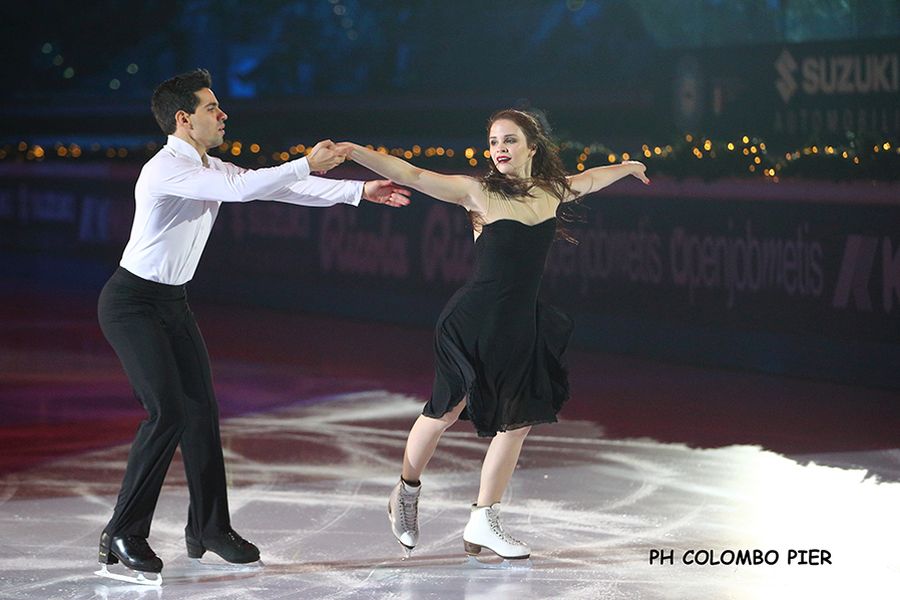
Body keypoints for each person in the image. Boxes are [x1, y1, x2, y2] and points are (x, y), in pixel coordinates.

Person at [95, 68, 409, 584]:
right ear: (184, 119)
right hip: (132, 304)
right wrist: (306, 160)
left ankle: (209, 529)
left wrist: (357, 191)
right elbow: (245, 188)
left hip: (172, 303)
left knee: (201, 412)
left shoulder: (208, 165)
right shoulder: (165, 169)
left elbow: (278, 188)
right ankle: (122, 534)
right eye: (212, 108)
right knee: (167, 412)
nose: (223, 115)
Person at [337, 109, 648, 561]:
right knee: (445, 411)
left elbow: (592, 179)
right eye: (494, 142)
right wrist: (353, 152)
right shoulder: (477, 192)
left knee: (518, 422)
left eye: (509, 140)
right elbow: (412, 174)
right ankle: (405, 492)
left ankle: (484, 519)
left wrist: (626, 167)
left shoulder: (551, 191)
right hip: (472, 321)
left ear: (532, 147)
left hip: (519, 324)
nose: (499, 149)